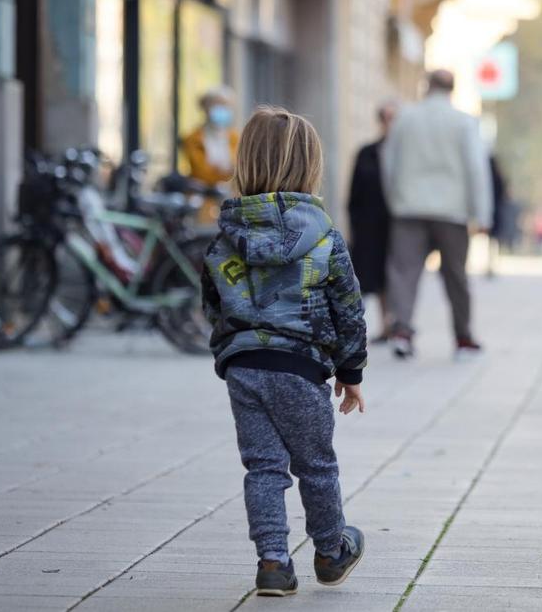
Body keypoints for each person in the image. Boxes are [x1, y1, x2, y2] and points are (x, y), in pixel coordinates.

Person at [201, 106, 368, 598]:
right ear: (310, 165)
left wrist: (234, 345)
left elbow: (211, 303)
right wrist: (351, 371)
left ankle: (273, 563)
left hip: (244, 368)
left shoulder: (225, 237)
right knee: (316, 465)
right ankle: (331, 551)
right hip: (300, 368)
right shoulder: (323, 236)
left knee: (263, 468)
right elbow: (348, 308)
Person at [381, 70, 492, 359]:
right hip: (452, 210)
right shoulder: (464, 121)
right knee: (455, 274)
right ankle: (463, 336)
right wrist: (481, 214)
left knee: (404, 272)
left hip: (409, 206)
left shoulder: (405, 117)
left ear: (427, 86)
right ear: (452, 89)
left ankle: (401, 331)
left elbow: (389, 161)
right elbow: (476, 168)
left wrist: (394, 198)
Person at [347, 101, 398, 339]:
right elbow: (354, 194)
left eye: (394, 118)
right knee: (370, 276)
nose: (390, 123)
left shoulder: (407, 155)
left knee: (394, 276)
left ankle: (395, 324)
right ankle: (380, 325)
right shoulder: (366, 153)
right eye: (386, 118)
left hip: (398, 225)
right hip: (369, 226)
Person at [181, 86, 240, 187]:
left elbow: (241, 170)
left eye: (226, 105)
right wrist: (228, 171)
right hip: (202, 192)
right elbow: (201, 173)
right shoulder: (193, 138)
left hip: (231, 191)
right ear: (205, 108)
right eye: (217, 104)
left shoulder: (235, 137)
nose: (222, 108)